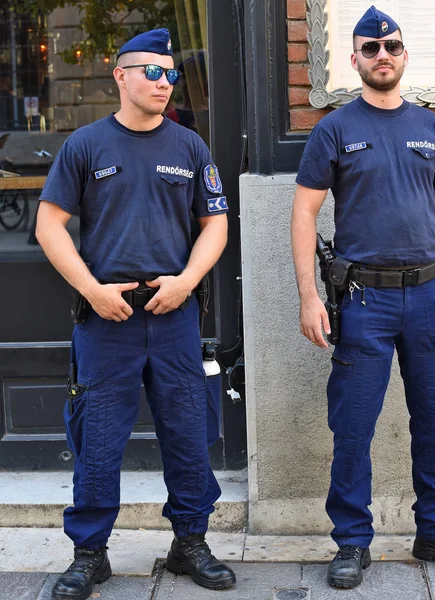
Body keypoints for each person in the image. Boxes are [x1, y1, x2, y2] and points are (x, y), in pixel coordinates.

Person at [291, 5, 435, 590]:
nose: (383, 56)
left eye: (392, 48)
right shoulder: (334, 128)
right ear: (353, 60)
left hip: (431, 297)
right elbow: (304, 212)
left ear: (405, 56)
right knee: (352, 425)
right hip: (363, 303)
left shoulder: (432, 127)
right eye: (371, 49)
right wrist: (309, 297)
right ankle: (352, 542)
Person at [35, 28, 235, 600]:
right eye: (152, 71)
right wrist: (93, 289)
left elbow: (215, 224)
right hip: (107, 321)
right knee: (97, 440)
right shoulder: (86, 145)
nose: (164, 82)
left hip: (173, 317)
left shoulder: (190, 147)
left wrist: (188, 281)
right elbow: (49, 226)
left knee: (188, 434)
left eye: (170, 73)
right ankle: (89, 553)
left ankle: (190, 543)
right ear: (119, 76)